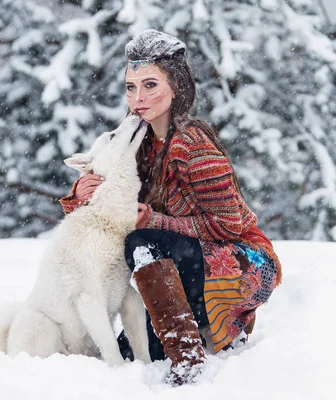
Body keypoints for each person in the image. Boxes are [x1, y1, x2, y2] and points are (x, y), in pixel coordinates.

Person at [59, 29, 282, 385]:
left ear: (176, 86)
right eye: (131, 87)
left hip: (241, 260)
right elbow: (110, 210)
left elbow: (228, 226)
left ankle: (187, 357)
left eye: (150, 85)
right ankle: (175, 335)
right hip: (177, 259)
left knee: (142, 241)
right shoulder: (139, 140)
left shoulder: (194, 146)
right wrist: (82, 194)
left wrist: (155, 220)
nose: (138, 98)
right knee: (134, 351)